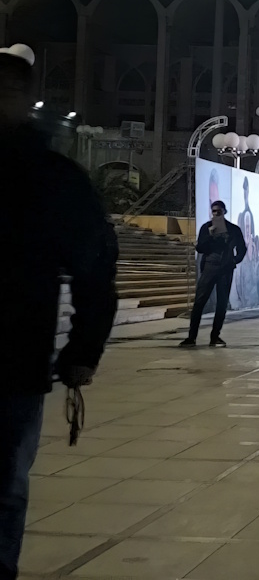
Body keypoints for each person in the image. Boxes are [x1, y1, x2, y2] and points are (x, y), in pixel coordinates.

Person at [0, 43, 119, 580]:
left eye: (10, 89)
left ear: (26, 99)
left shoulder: (51, 178)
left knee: (4, 485)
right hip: (19, 358)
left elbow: (94, 265)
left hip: (14, 360)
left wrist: (83, 350)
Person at [182, 200, 247, 348]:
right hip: (210, 268)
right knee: (199, 302)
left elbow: (242, 248)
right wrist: (210, 236)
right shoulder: (206, 228)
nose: (216, 214)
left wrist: (234, 260)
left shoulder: (233, 229)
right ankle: (191, 338)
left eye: (219, 211)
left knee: (222, 303)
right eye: (214, 211)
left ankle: (215, 337)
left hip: (225, 269)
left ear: (224, 212)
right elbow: (200, 248)